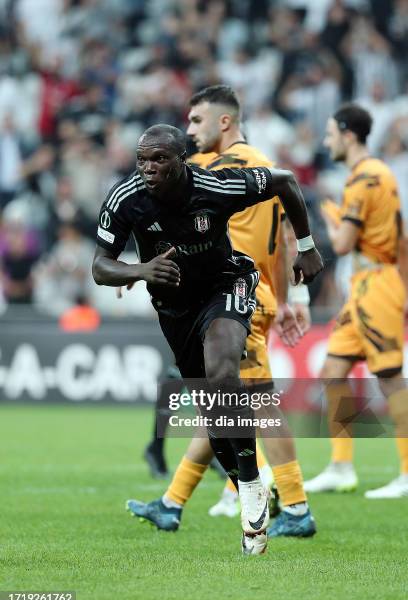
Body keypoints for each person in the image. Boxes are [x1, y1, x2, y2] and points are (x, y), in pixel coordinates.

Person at [92, 123, 323, 555]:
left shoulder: (217, 186)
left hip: (227, 285)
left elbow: (286, 181)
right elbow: (100, 267)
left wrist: (307, 247)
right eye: (143, 159)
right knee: (214, 412)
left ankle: (252, 486)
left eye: (160, 159)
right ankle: (245, 484)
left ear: (182, 161)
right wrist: (139, 271)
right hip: (175, 310)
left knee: (223, 371)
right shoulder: (126, 199)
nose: (149, 168)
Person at [304, 103, 408, 498]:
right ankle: (341, 467)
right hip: (368, 283)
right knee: (333, 370)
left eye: (330, 133)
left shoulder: (365, 178)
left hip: (376, 283)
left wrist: (329, 216)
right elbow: (401, 236)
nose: (326, 141)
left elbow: (343, 244)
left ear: (348, 134)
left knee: (390, 379)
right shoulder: (377, 174)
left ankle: (407, 473)